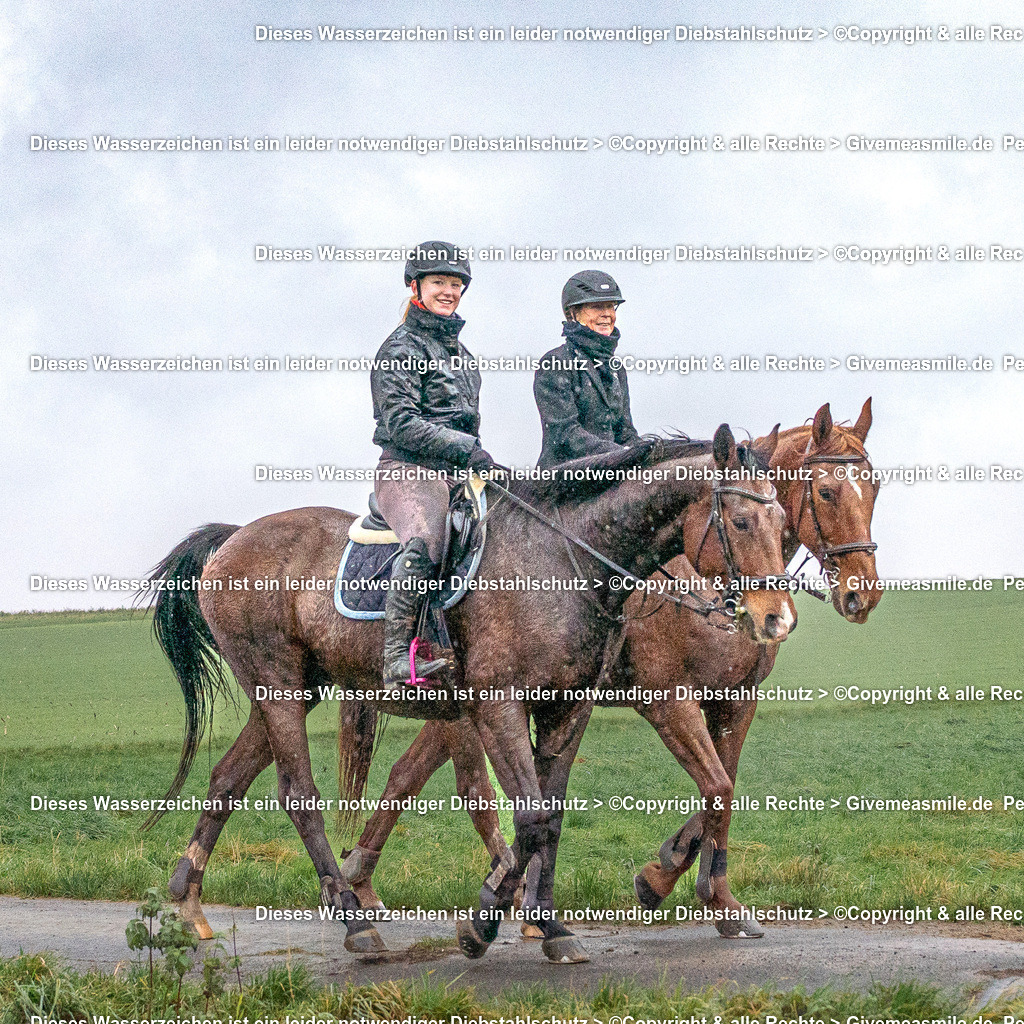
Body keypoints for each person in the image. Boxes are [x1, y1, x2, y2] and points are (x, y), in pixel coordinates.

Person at [370, 242, 499, 689]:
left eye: (456, 284)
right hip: (408, 469)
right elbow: (402, 423)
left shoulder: (463, 355)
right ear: (415, 286)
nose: (449, 291)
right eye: (439, 283)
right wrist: (467, 448)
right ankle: (396, 660)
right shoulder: (400, 347)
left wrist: (477, 457)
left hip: (459, 469)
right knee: (426, 536)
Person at [534, 270, 641, 470]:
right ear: (572, 313)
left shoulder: (616, 368)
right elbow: (566, 435)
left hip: (609, 473)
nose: (607, 314)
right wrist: (621, 456)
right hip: (564, 481)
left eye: (610, 306)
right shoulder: (555, 363)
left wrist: (650, 453)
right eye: (596, 307)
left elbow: (625, 432)